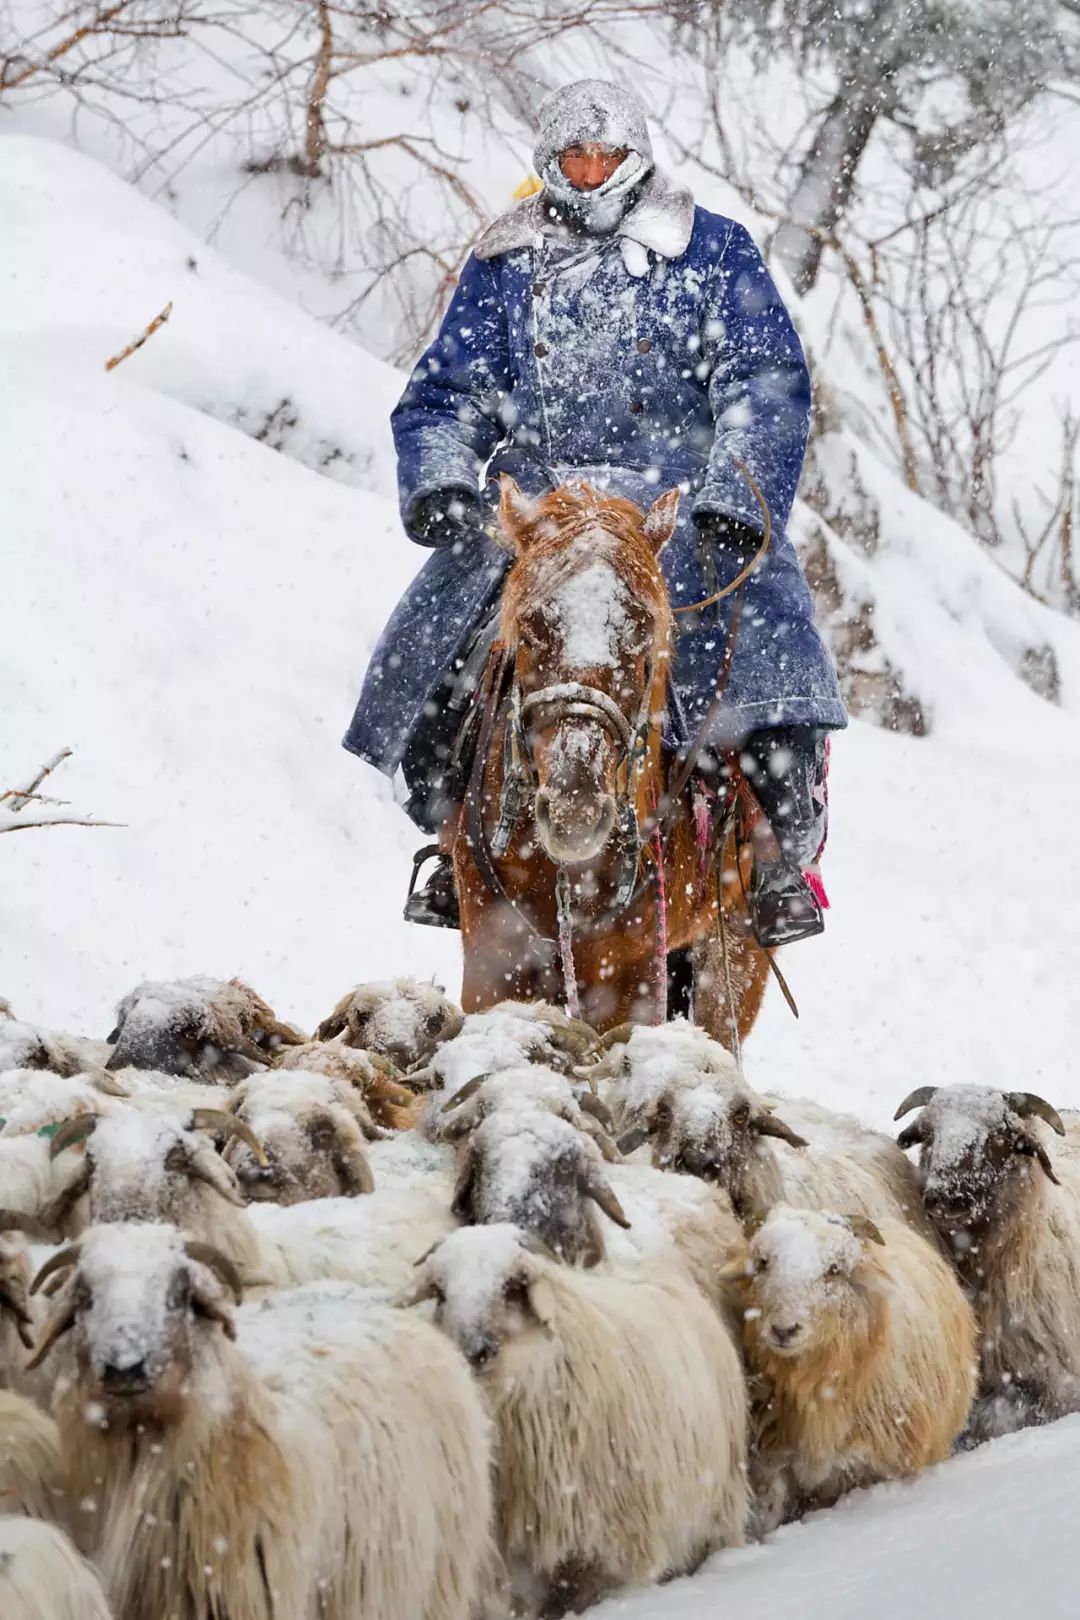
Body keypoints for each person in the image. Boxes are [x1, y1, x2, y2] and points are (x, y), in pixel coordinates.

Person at [343, 79, 846, 949]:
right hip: (541, 511)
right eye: (571, 157)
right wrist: (444, 484)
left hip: (681, 513)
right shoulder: (505, 263)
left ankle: (772, 861)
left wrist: (734, 496)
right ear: (548, 163)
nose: (586, 171)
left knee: (767, 675)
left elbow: (765, 391)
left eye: (602, 156)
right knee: (439, 667)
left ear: (635, 158)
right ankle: (448, 838)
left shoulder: (714, 252)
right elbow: (446, 396)